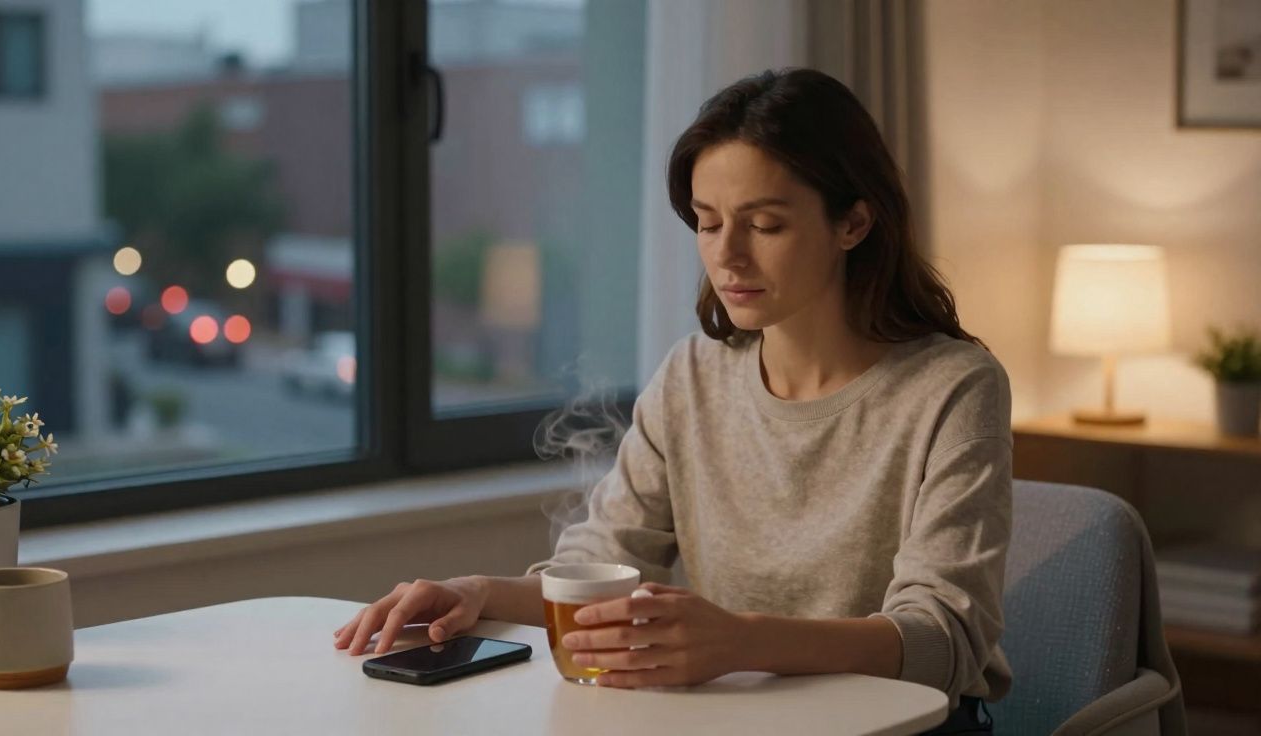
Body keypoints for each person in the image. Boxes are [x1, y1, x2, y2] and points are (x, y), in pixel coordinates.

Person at [335, 68, 1007, 734]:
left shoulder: (953, 387)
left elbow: (942, 639)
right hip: (741, 718)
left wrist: (742, 642)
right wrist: (477, 592)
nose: (728, 257)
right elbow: (602, 566)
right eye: (707, 224)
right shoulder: (692, 376)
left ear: (854, 222)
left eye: (765, 225)